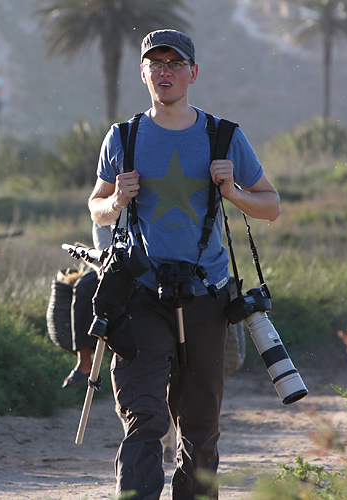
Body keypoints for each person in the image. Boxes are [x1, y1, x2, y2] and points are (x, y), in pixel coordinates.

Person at [88, 30, 281, 499]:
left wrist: (234, 193)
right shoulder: (124, 136)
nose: (165, 72)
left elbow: (271, 205)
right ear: (143, 74)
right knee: (145, 418)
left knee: (199, 428)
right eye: (156, 64)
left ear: (193, 73)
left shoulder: (223, 136)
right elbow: (94, 207)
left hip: (206, 299)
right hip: (141, 298)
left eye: (175, 64)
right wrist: (116, 200)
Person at [62, 223, 113, 388]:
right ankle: (84, 362)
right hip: (113, 265)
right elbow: (102, 238)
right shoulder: (107, 201)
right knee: (85, 286)